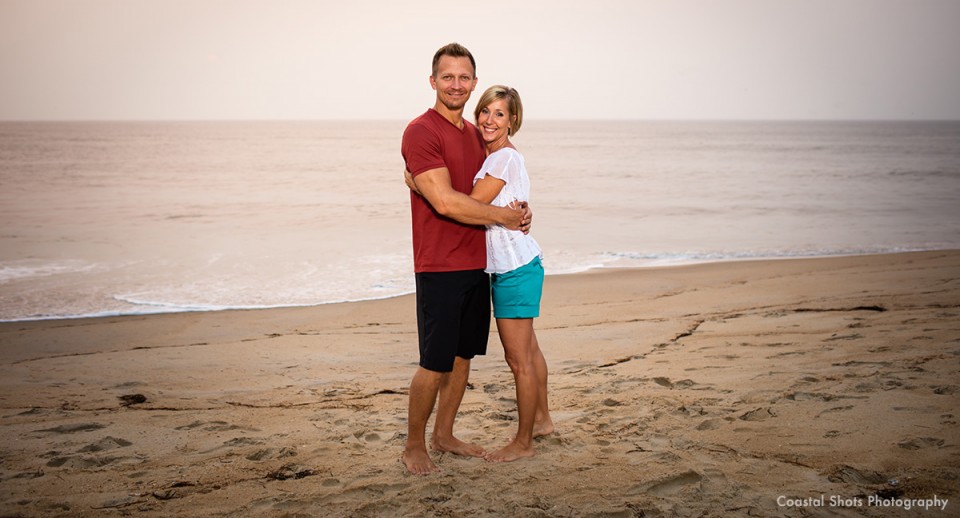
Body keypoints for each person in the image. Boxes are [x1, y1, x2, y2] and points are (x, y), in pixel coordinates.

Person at [400, 43, 530, 476]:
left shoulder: (478, 135)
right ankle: (414, 446)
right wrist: (507, 218)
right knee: (433, 362)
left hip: (479, 263)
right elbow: (446, 202)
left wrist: (520, 211)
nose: (456, 84)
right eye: (447, 76)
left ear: (474, 83)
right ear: (433, 81)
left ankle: (445, 434)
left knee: (462, 358)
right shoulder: (421, 131)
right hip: (438, 265)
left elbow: (502, 182)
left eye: (464, 77)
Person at [468, 86, 553, 462]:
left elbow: (469, 205)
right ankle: (543, 422)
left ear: (513, 120)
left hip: (515, 269)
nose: (489, 119)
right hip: (522, 263)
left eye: (499, 114)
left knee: (518, 360)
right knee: (530, 352)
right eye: (485, 111)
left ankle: (524, 443)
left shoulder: (502, 159)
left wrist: (422, 185)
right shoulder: (499, 157)